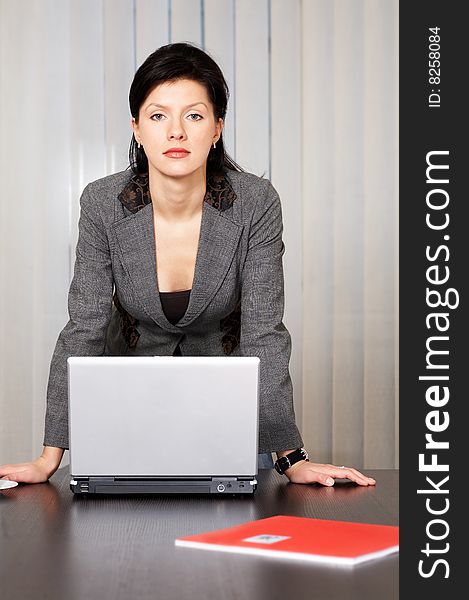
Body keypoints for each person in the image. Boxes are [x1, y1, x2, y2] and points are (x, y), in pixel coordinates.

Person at [0, 42, 375, 488]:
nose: (175, 132)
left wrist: (291, 459)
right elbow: (84, 327)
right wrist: (49, 457)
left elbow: (263, 333)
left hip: (226, 418)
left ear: (217, 128)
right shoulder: (102, 203)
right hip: (130, 408)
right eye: (158, 116)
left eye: (194, 115)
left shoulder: (255, 203)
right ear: (136, 127)